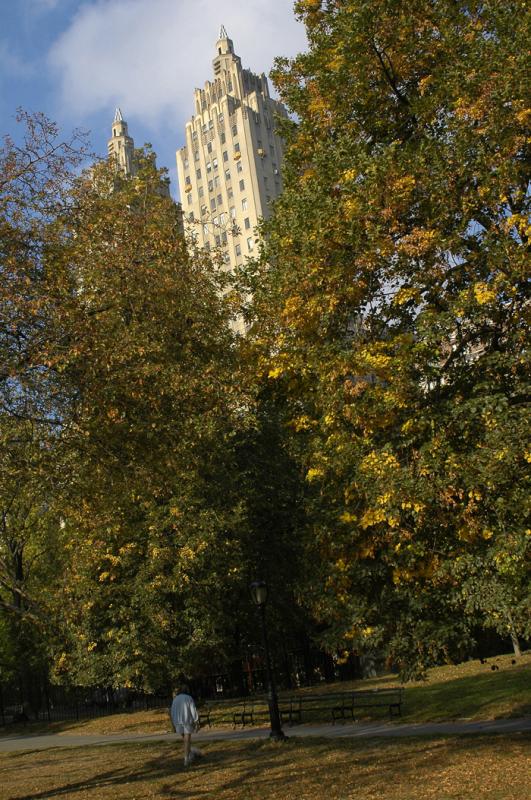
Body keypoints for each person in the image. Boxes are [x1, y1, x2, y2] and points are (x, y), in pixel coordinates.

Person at [169, 683, 202, 767]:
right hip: (187, 721)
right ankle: (186, 759)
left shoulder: (175, 699)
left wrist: (173, 723)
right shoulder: (188, 698)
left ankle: (190, 755)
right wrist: (196, 721)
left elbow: (172, 711)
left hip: (178, 722)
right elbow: (193, 710)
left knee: (185, 740)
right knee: (187, 740)